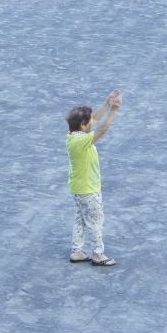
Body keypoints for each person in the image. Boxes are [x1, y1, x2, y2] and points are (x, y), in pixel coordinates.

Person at [65, 89, 122, 267]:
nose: (92, 122)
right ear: (83, 125)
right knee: (96, 221)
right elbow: (102, 129)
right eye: (88, 121)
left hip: (78, 188)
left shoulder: (74, 136)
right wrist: (114, 111)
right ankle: (98, 254)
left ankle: (77, 251)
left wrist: (106, 103)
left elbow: (95, 121)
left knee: (80, 220)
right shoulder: (82, 141)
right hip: (89, 189)